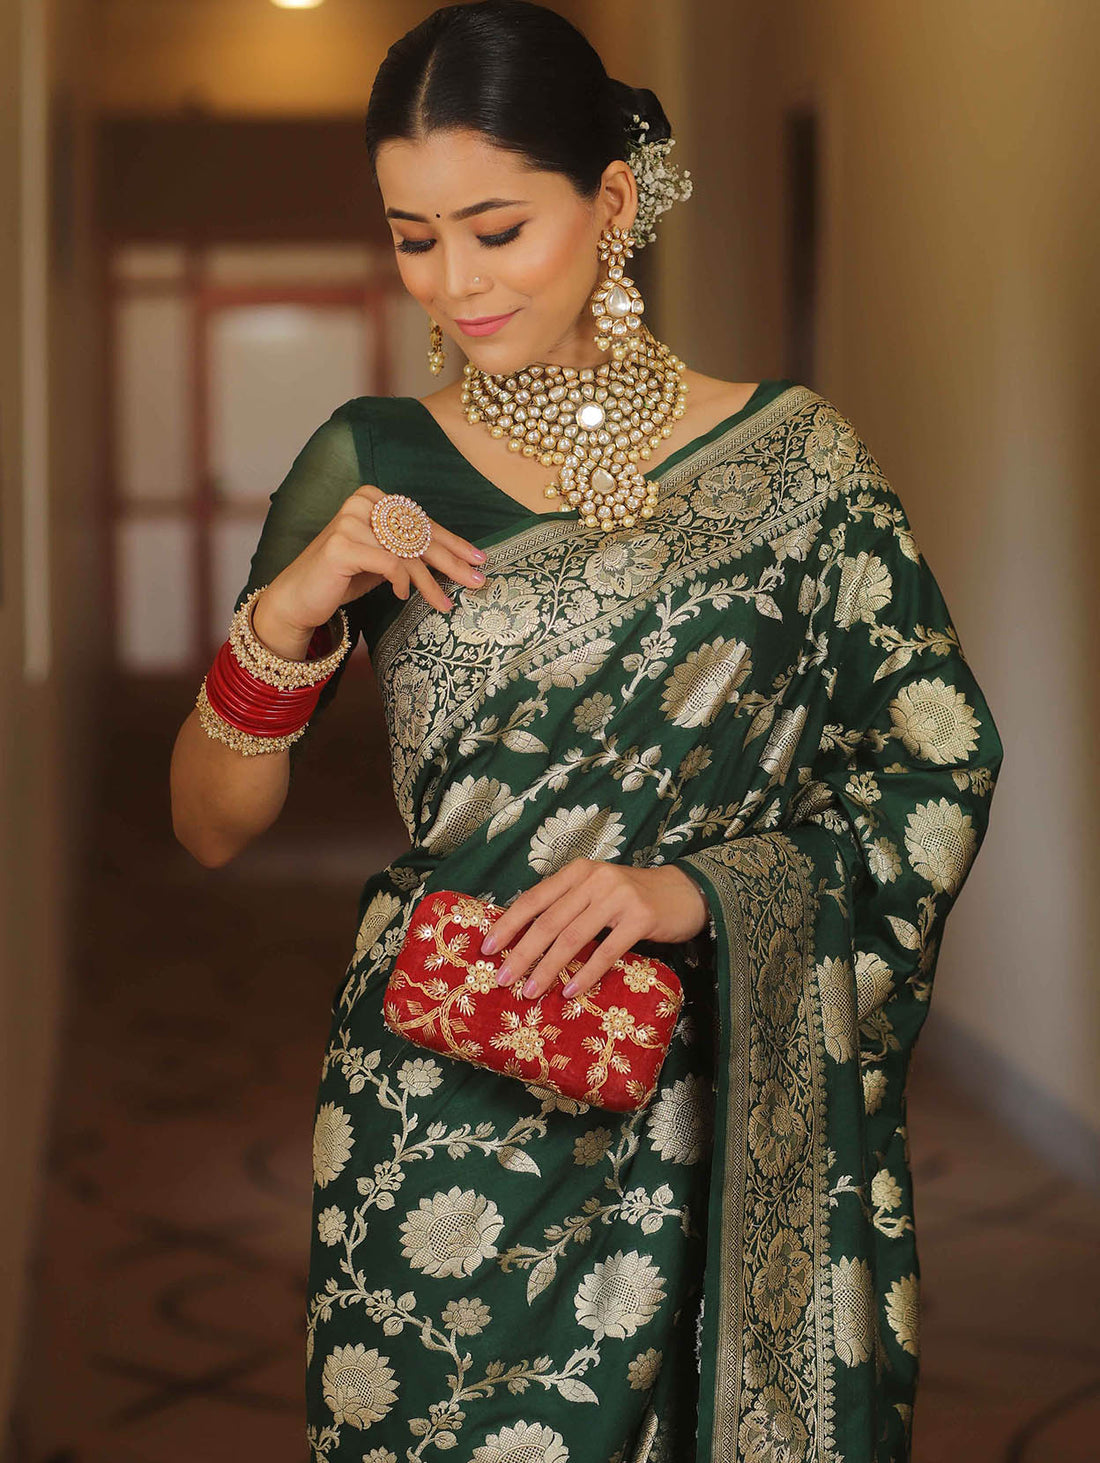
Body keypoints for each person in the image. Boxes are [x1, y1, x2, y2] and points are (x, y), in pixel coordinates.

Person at [169, 3, 1002, 1460]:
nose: (458, 280)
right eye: (415, 236)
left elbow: (932, 758)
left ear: (611, 201)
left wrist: (691, 893)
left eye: (497, 227)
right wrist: (295, 609)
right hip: (435, 1112)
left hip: (705, 1102)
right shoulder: (374, 463)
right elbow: (210, 825)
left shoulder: (797, 462)